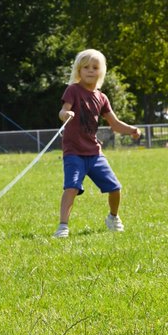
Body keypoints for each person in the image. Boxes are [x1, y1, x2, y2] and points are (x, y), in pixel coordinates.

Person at [53, 48, 141, 237]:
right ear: (79, 70)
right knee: (72, 187)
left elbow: (115, 124)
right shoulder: (73, 90)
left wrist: (132, 130)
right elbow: (62, 111)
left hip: (94, 153)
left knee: (115, 188)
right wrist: (65, 115)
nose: (90, 70)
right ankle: (62, 226)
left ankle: (113, 217)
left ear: (101, 71)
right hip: (73, 152)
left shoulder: (102, 98)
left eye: (94, 67)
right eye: (86, 67)